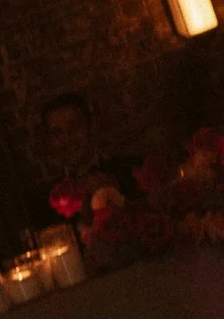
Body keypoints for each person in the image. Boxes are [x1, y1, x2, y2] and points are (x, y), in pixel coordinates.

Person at [29, 92, 143, 231]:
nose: (68, 138)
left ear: (90, 127)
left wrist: (119, 201)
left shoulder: (131, 171)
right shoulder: (45, 204)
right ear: (50, 142)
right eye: (58, 133)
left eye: (75, 127)